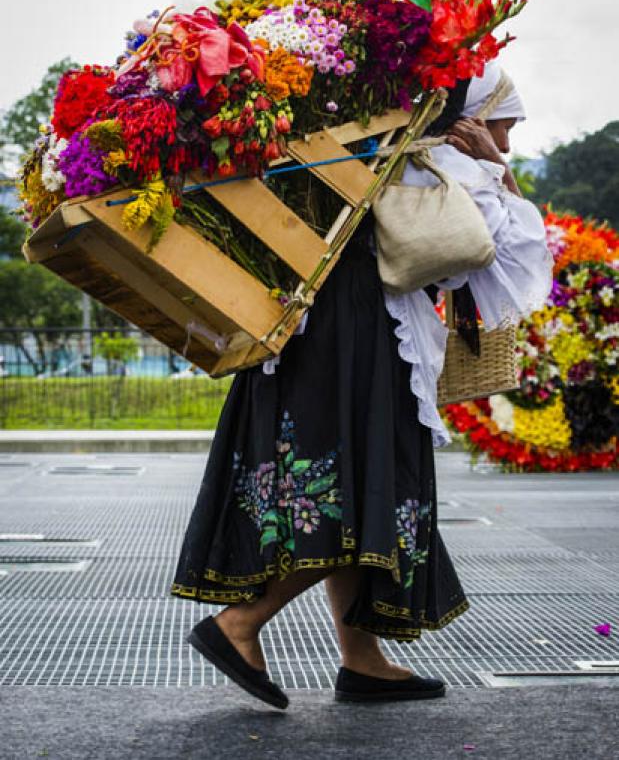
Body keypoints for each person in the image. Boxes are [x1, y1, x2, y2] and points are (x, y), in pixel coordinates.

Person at [170, 61, 552, 709]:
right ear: (466, 118)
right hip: (359, 339)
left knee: (355, 484)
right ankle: (238, 625)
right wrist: (493, 166)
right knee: (359, 487)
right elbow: (507, 253)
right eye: (501, 126)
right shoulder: (434, 159)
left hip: (320, 328)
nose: (505, 142)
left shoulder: (370, 150)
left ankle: (361, 659)